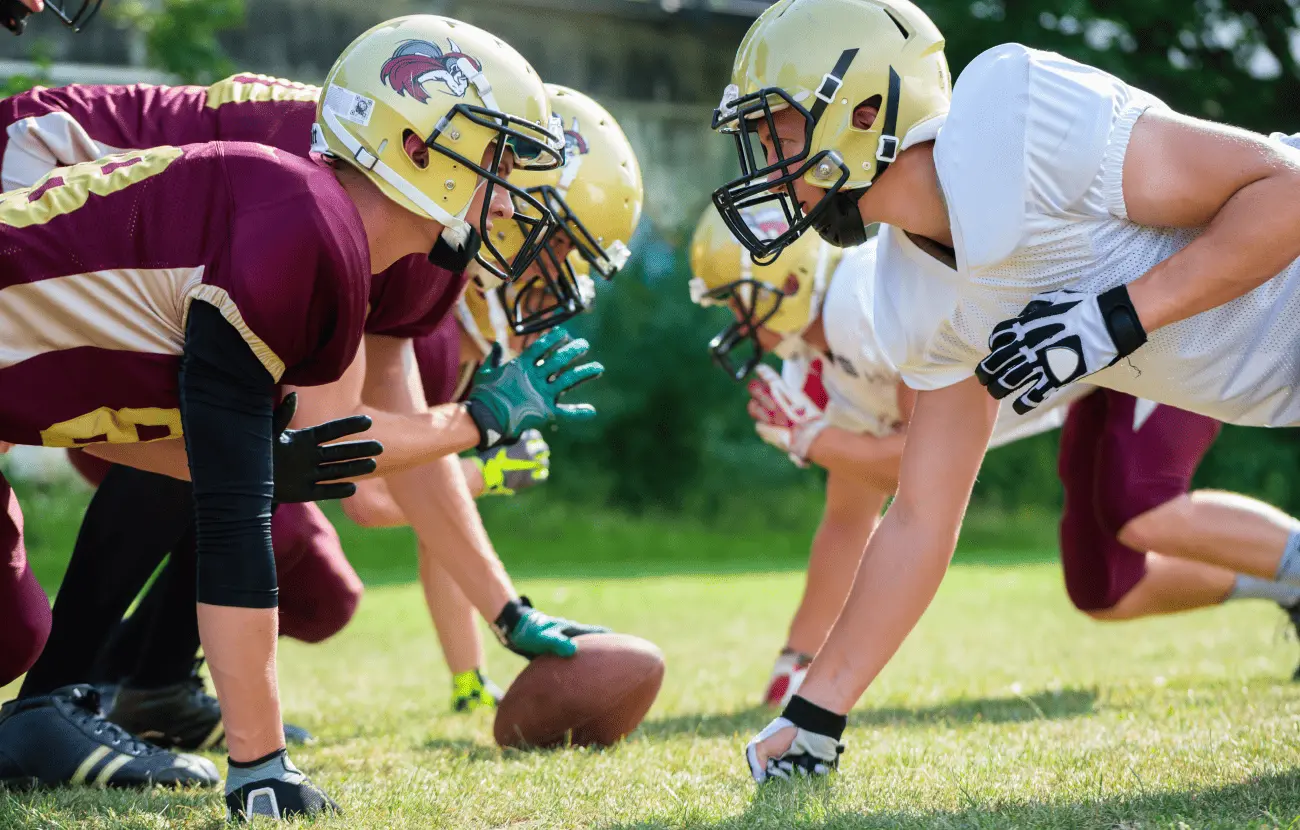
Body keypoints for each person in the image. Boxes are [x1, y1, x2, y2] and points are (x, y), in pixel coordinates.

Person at [0, 15, 604, 821]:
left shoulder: (380, 236)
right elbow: (295, 471)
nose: (511, 200)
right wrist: (260, 766)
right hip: (32, 165)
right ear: (415, 144)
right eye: (495, 160)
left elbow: (290, 450)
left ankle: (97, 696)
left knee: (26, 625)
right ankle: (76, 695)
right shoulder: (300, 206)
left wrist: (507, 608)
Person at [709, 0, 1300, 781]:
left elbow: (1285, 189)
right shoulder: (908, 295)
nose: (761, 157)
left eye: (774, 127)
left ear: (863, 108)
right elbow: (919, 517)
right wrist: (816, 712)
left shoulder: (1011, 115)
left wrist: (1118, 317)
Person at [690, 205, 1300, 710]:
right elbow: (850, 519)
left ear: (789, 280)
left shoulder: (863, 307)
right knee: (1106, 589)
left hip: (1145, 329)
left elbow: (926, 466)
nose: (731, 322)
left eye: (733, 301)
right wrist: (797, 659)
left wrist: (813, 440)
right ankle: (1284, 587)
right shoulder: (815, 366)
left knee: (1141, 506)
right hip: (1094, 374)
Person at [343, 84, 644, 713]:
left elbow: (437, 515)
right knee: (316, 579)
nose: (564, 277)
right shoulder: (426, 304)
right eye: (559, 248)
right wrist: (488, 471)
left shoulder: (468, 315)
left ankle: (468, 680)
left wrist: (469, 677)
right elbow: (369, 495)